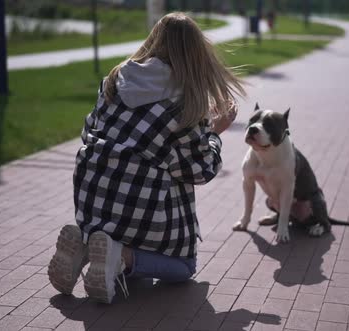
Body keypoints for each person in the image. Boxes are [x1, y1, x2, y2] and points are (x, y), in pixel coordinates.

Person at [47, 12, 245, 304]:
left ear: (154, 40)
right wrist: (214, 132)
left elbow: (89, 129)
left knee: (123, 221)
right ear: (194, 53)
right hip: (143, 209)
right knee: (183, 267)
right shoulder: (188, 101)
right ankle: (121, 256)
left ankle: (87, 247)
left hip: (93, 198)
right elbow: (201, 170)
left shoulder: (115, 79)